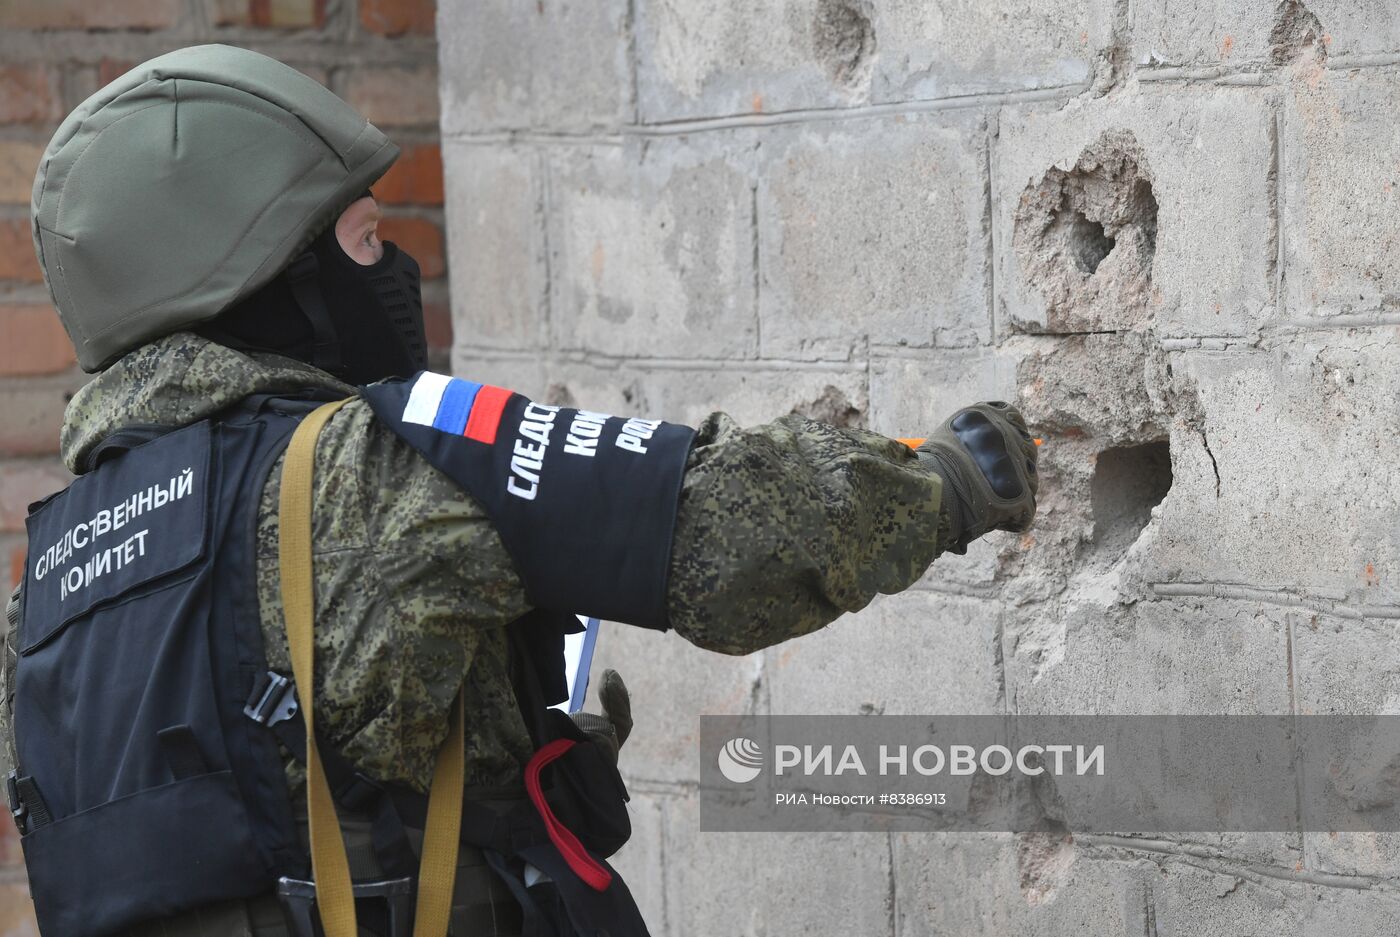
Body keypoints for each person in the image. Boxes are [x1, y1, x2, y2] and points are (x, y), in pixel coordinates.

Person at [0, 45, 1039, 937]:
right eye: (363, 241)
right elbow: (724, 532)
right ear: (269, 277)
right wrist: (946, 481)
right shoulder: (360, 470)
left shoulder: (49, 584)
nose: (390, 268)